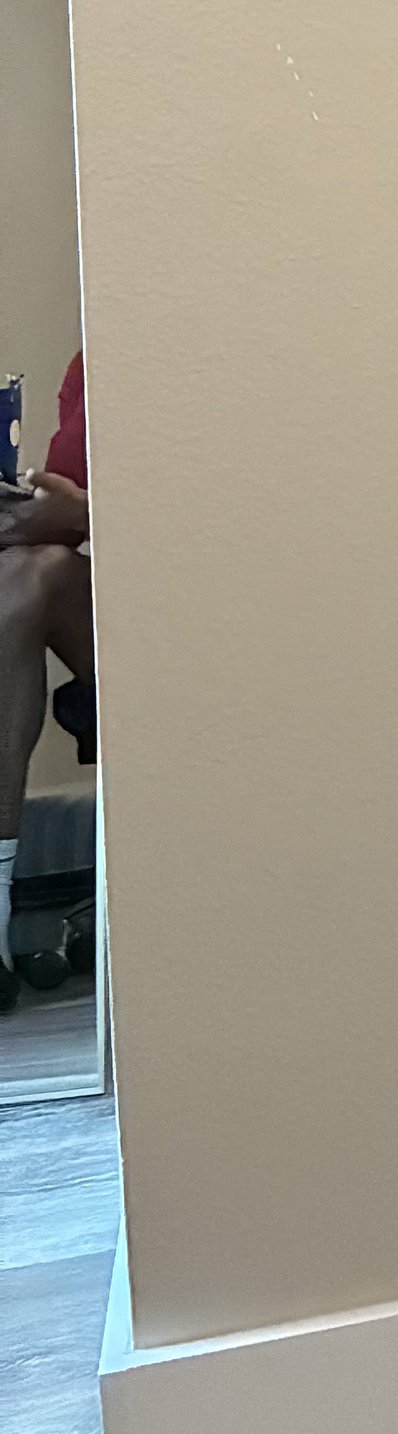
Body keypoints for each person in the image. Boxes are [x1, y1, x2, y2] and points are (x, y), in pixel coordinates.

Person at [0, 352, 92, 1012]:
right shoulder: (84, 369)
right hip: (109, 601)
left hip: (206, 615)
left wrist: (86, 510)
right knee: (24, 574)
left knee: (34, 572)